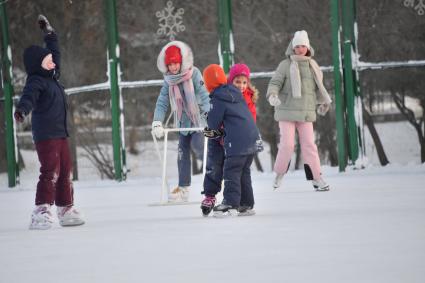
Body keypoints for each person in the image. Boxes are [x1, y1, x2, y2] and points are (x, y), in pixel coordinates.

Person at [14, 15, 85, 230]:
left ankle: (65, 208)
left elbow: (56, 51)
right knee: (50, 170)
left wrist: (49, 33)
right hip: (46, 136)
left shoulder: (53, 76)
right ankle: (41, 210)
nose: (52, 61)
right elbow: (27, 97)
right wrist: (22, 110)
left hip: (61, 133)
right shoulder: (36, 81)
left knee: (65, 171)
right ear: (39, 66)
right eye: (48, 61)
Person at [266, 30, 332, 191]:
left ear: (308, 47)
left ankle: (317, 178)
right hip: (287, 111)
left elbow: (318, 90)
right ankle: (280, 173)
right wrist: (272, 94)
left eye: (303, 46)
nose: (300, 49)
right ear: (292, 48)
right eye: (297, 46)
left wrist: (323, 102)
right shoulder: (285, 65)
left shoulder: (313, 66)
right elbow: (275, 82)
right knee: (287, 144)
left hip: (306, 112)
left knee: (309, 145)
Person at [152, 41, 210, 202]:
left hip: (199, 121)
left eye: (176, 63)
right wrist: (157, 121)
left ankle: (216, 179)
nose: (173, 67)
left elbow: (205, 96)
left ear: (181, 61)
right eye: (170, 64)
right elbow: (162, 102)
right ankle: (183, 188)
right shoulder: (169, 80)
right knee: (182, 153)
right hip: (182, 123)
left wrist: (210, 116)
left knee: (200, 147)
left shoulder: (194, 73)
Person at [202, 64, 262, 217]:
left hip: (236, 143)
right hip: (252, 139)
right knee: (243, 172)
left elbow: (213, 123)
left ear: (208, 84)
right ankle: (246, 204)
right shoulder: (237, 94)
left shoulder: (217, 98)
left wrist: (207, 119)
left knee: (231, 171)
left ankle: (230, 203)